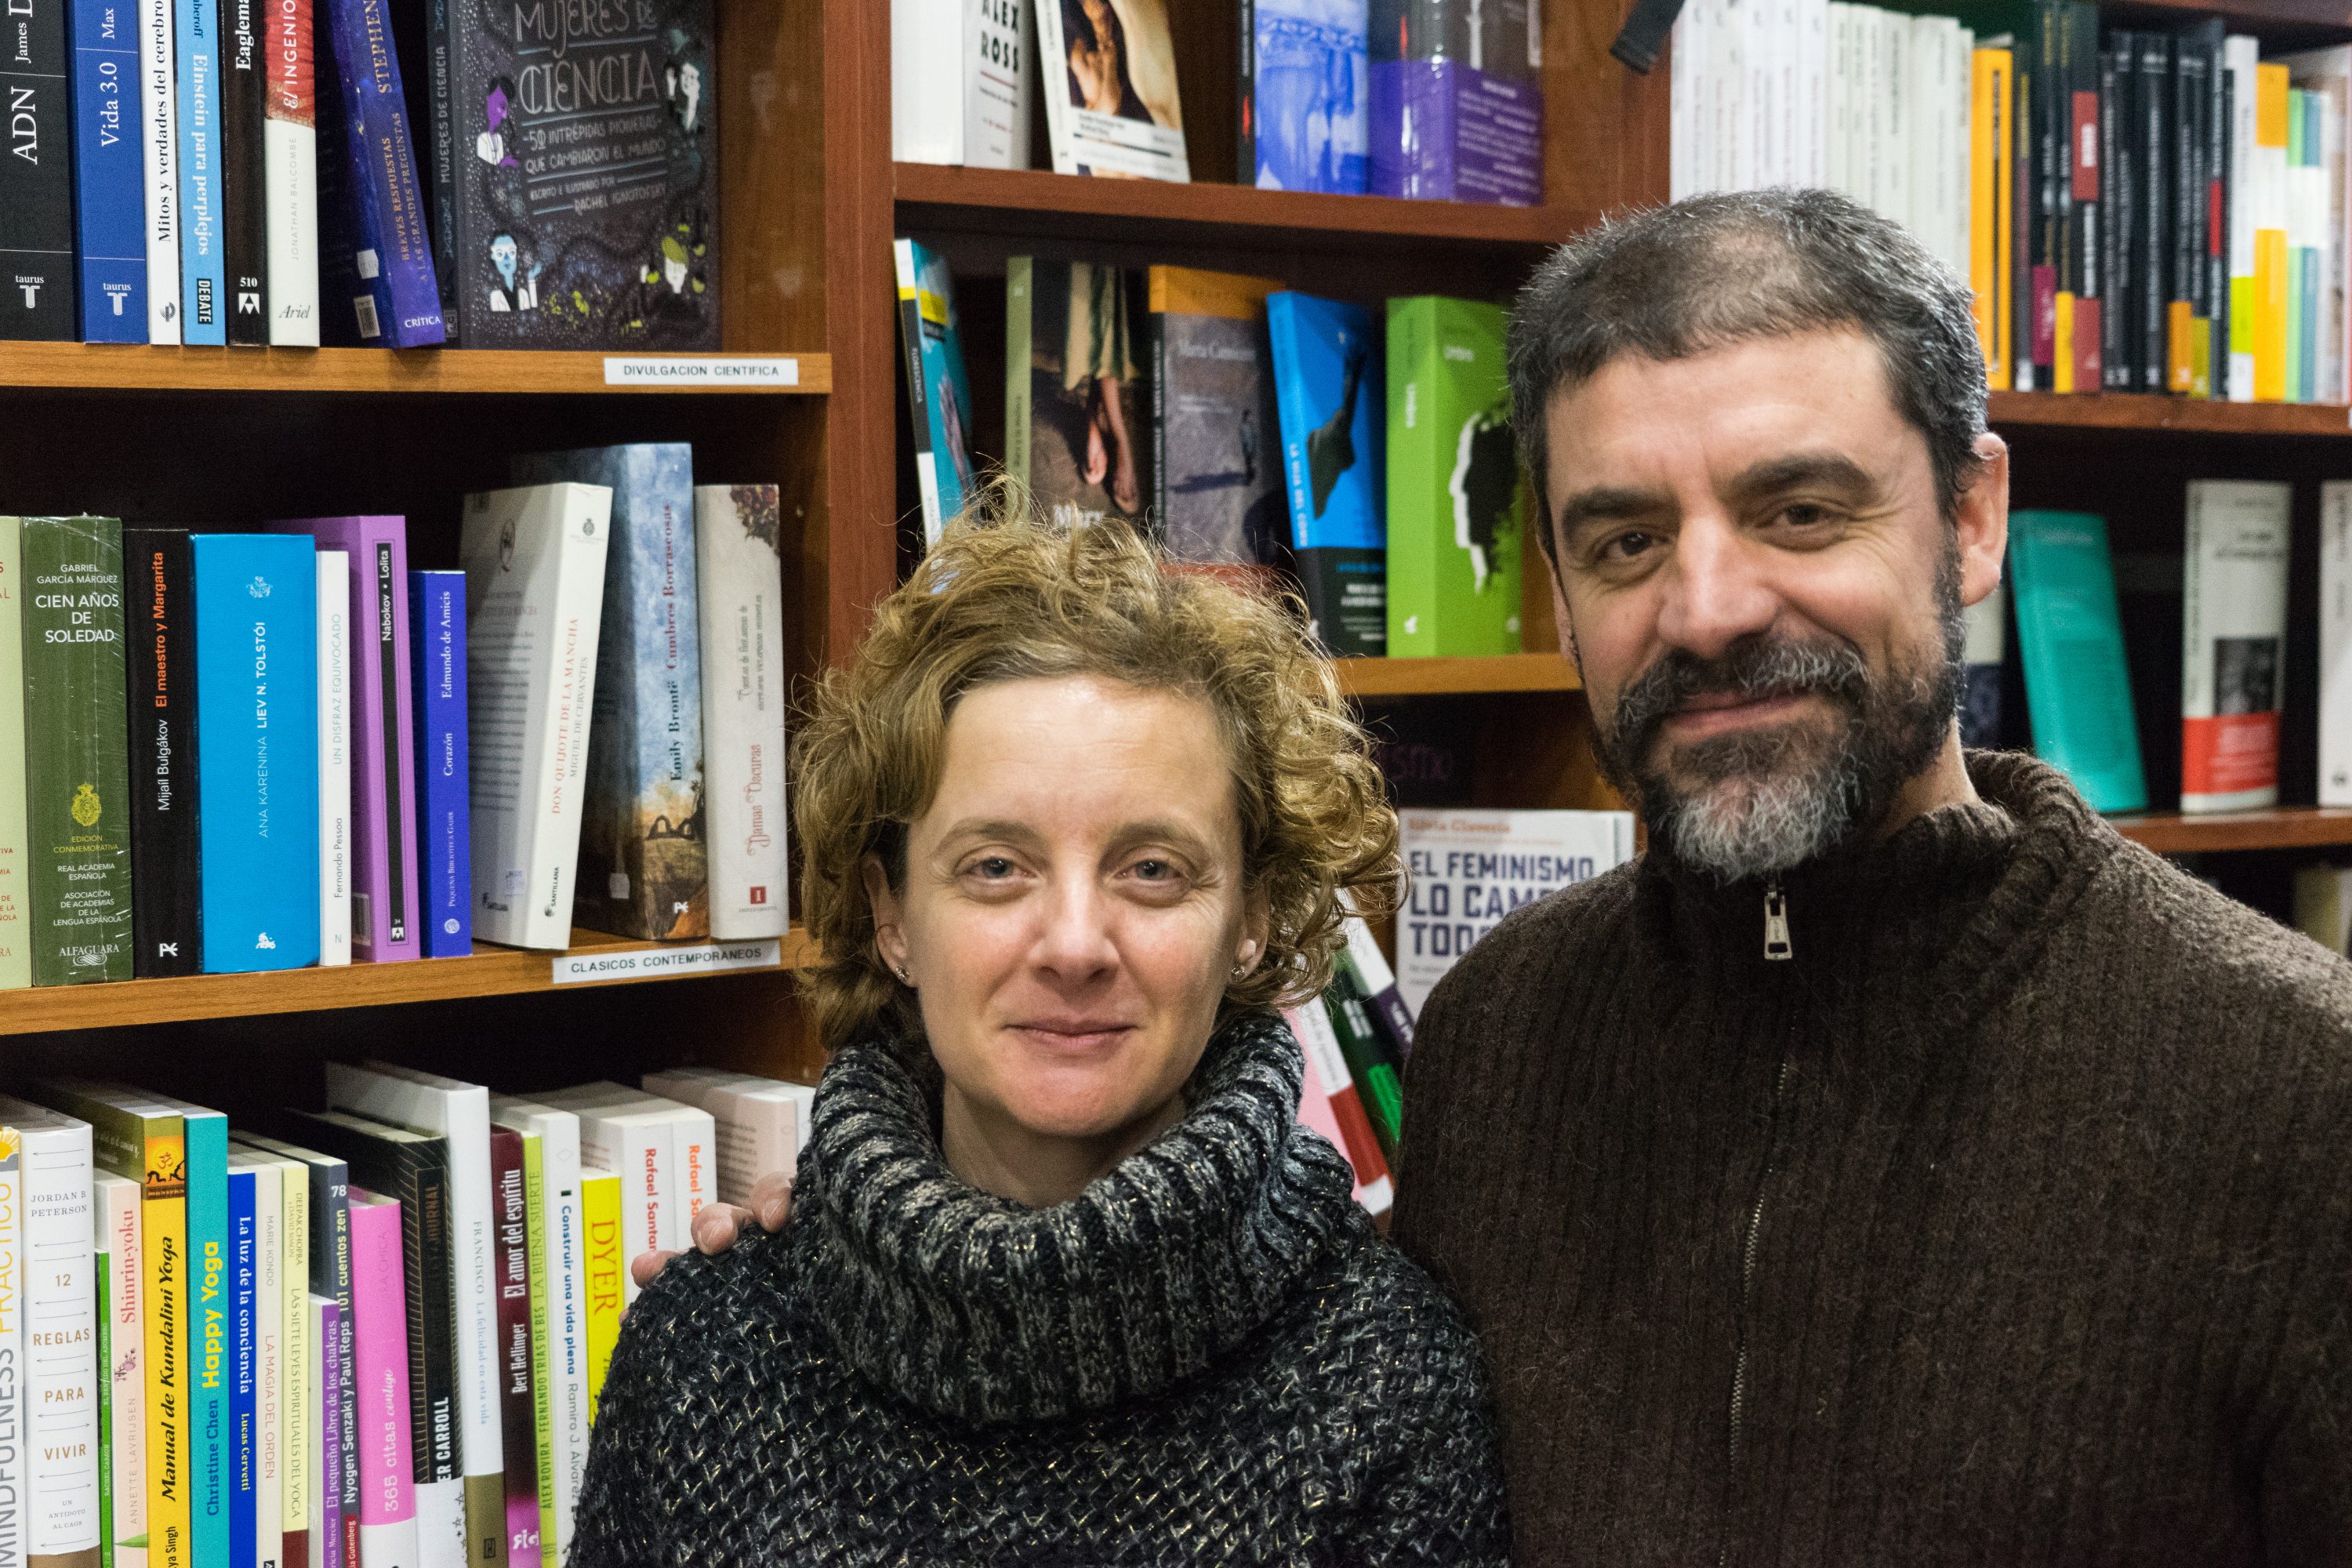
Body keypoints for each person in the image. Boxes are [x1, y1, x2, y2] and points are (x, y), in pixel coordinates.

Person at [661, 188, 2352, 1562]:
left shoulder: (2294, 1088)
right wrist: (867, 1249)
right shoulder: (1505, 1041)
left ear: (1972, 518)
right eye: (1625, 538)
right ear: (1553, 579)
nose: (1705, 606)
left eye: (1801, 509)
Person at [575, 503, 1509, 1564]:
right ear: (892, 918)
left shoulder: (1386, 1388)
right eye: (996, 868)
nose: (1074, 944)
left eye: (1152, 869)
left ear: (1252, 917)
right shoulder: (706, 1351)